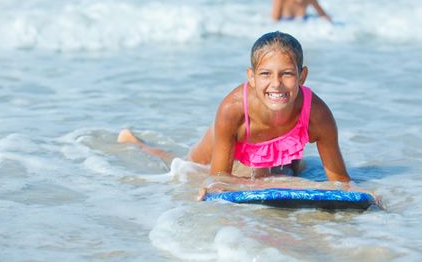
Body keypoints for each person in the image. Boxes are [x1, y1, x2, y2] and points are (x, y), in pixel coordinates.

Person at [118, 31, 354, 198]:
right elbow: (219, 178)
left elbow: (341, 181)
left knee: (286, 171)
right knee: (184, 165)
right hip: (229, 141)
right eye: (265, 74)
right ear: (251, 77)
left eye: (287, 74)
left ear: (302, 76)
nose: (276, 84)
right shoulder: (233, 110)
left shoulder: (317, 115)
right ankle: (137, 143)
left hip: (280, 151)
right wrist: (216, 187)